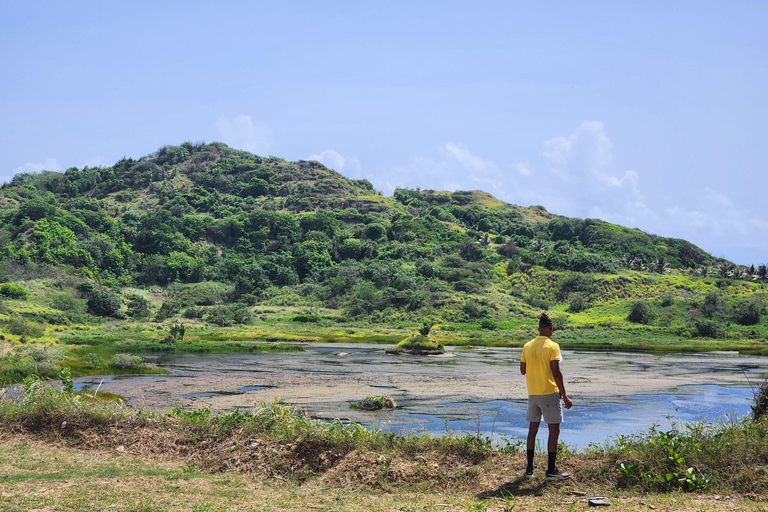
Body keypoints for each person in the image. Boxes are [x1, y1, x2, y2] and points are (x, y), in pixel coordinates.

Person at [520, 312, 573, 480]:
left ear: (538, 329)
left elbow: (523, 370)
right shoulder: (553, 346)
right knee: (554, 430)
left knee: (532, 430)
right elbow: (557, 373)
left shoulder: (527, 345)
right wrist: (564, 395)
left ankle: (529, 468)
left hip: (533, 393)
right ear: (551, 329)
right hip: (549, 393)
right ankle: (551, 470)